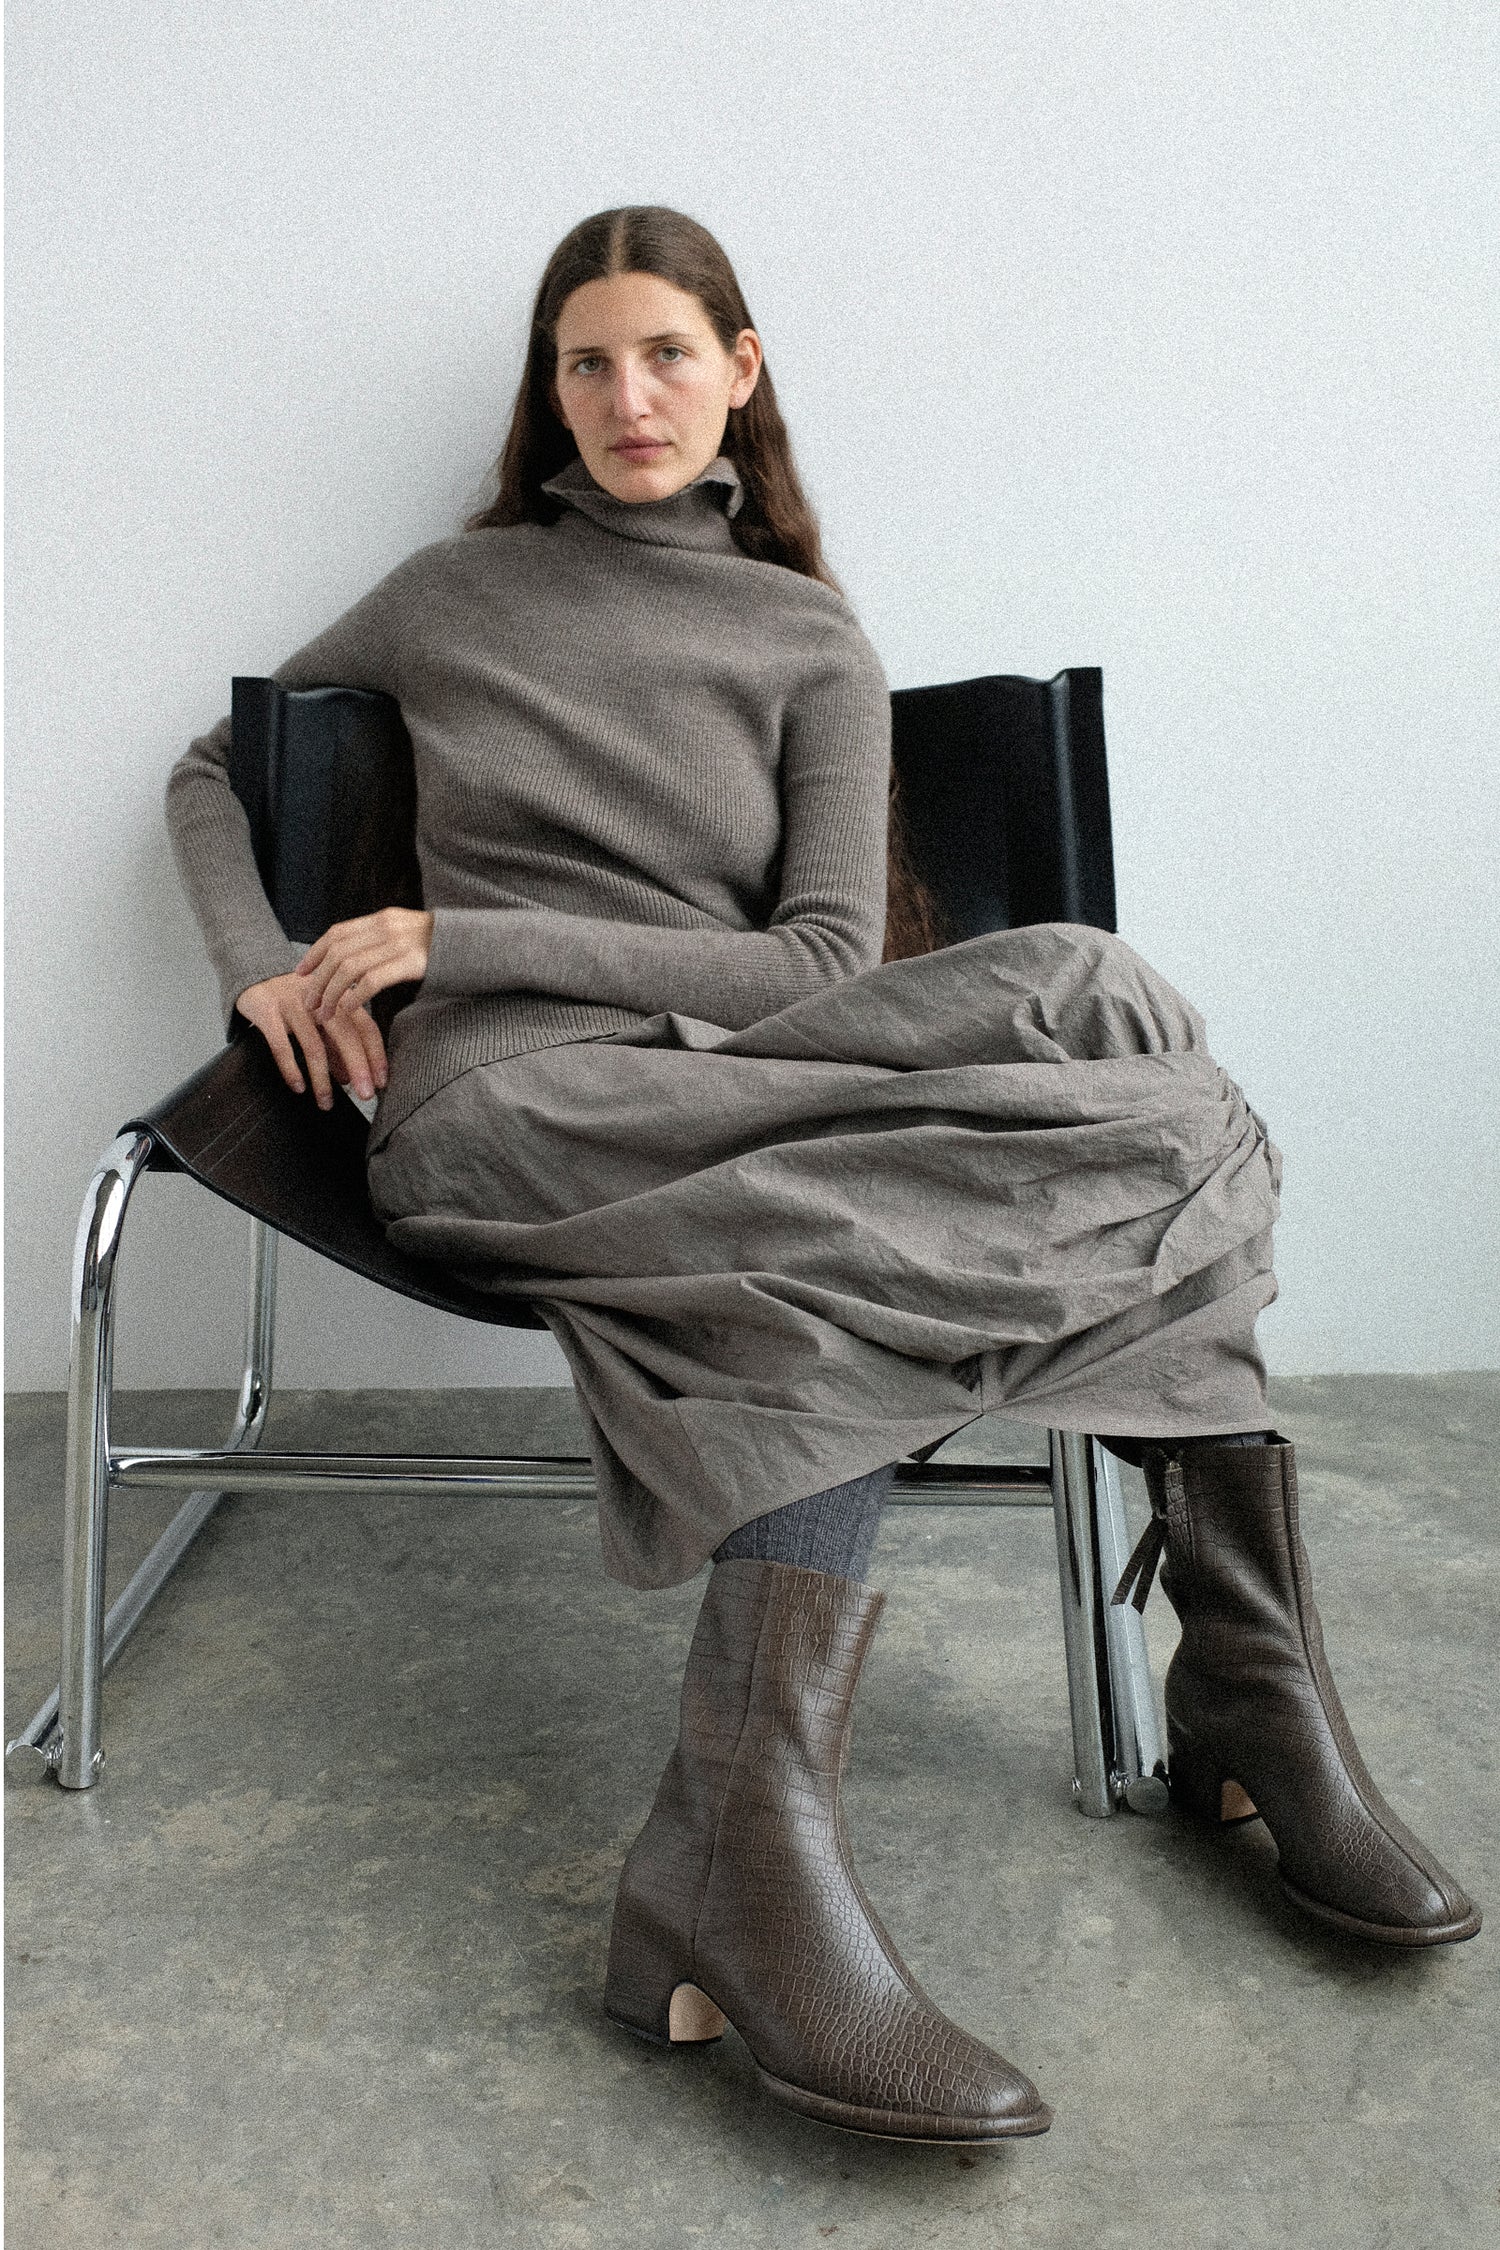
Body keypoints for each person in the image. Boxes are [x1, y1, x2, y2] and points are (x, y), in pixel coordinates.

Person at [165, 205, 1480, 2144]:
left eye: (665, 357)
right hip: (513, 1110)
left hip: (747, 1072)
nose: (626, 398)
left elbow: (813, 971)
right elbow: (212, 768)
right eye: (586, 362)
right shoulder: (455, 593)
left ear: (742, 372)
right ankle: (780, 1854)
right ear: (549, 389)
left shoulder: (808, 638)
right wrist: (261, 965)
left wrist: (466, 930)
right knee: (866, 1240)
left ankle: (1244, 1683)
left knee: (1107, 1000)